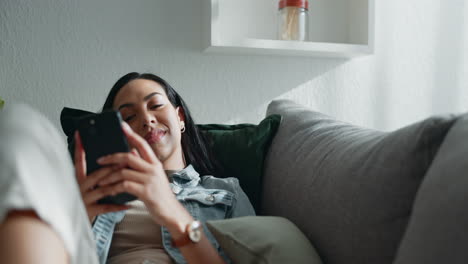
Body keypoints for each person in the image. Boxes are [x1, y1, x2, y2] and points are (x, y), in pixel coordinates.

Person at [0, 72, 255, 264]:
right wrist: (78, 217)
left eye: (155, 106)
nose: (146, 119)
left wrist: (173, 214)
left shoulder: (225, 191)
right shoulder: (92, 196)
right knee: (19, 122)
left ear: (180, 118)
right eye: (129, 117)